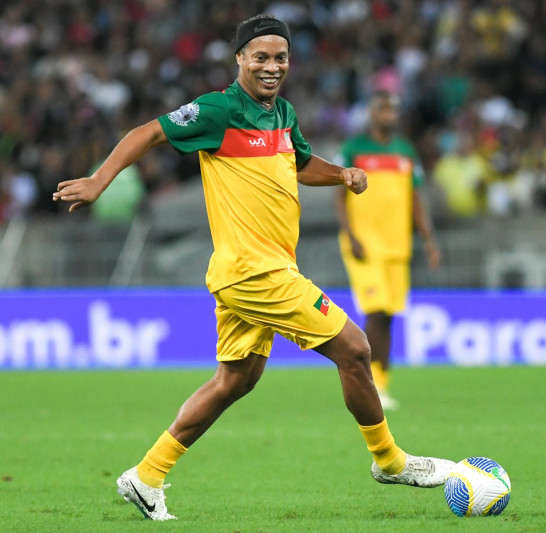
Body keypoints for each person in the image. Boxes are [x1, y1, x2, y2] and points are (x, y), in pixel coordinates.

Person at [53, 15, 454, 521]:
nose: (271, 66)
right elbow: (149, 133)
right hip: (254, 271)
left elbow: (301, 163)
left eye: (280, 57)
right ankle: (390, 461)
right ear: (239, 58)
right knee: (355, 348)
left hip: (258, 269)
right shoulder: (218, 110)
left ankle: (147, 475)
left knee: (236, 379)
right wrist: (98, 180)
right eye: (260, 56)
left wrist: (343, 173)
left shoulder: (282, 113)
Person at [335, 91, 440, 410]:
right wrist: (350, 233)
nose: (388, 113)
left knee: (389, 315)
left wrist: (429, 238)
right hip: (365, 244)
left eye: (393, 108)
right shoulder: (354, 149)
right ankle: (368, 383)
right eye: (382, 108)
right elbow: (339, 196)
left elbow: (414, 198)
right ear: (371, 113)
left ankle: (381, 384)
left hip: (398, 245)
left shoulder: (405, 151)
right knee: (376, 310)